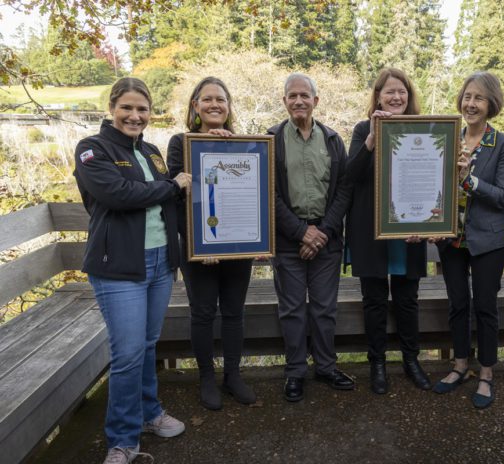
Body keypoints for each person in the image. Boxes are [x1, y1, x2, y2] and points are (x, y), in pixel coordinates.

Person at [73, 77, 191, 464]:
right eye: (127, 107)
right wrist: (173, 186)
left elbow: (168, 199)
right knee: (126, 353)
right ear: (112, 108)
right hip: (119, 267)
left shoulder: (154, 153)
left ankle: (149, 413)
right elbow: (120, 195)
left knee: (145, 345)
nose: (135, 115)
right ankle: (121, 440)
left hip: (160, 262)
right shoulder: (93, 149)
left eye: (142, 109)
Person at [167, 77, 256, 411]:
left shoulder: (245, 144)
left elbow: (253, 191)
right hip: (198, 247)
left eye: (221, 99)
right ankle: (206, 377)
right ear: (195, 106)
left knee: (234, 312)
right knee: (203, 313)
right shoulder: (181, 143)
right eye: (207, 99)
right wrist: (199, 247)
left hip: (237, 246)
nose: (215, 104)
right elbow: (179, 196)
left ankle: (232, 375)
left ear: (229, 106)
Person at [430, 72, 504, 410]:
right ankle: (460, 366)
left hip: (488, 242)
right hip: (451, 240)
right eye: (467, 96)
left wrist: (470, 179)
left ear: (490, 103)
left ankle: (486, 373)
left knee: (484, 307)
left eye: (479, 98)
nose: (471, 103)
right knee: (457, 305)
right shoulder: (448, 139)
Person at [268, 72, 354, 402]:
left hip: (327, 239)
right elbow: (270, 192)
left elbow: (343, 189)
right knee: (292, 309)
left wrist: (322, 232)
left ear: (316, 101)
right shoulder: (272, 139)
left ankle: (326, 366)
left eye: (305, 96)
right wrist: (301, 232)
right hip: (289, 239)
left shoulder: (333, 140)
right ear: (285, 101)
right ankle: (295, 372)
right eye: (293, 96)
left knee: (323, 308)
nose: (299, 101)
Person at [345, 68, 431, 394]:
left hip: (410, 231)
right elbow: (350, 176)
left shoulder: (422, 130)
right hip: (372, 231)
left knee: (408, 299)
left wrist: (426, 224)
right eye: (389, 92)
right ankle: (377, 364)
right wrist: (371, 139)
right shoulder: (363, 128)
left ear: (409, 97)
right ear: (378, 96)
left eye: (402, 92)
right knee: (375, 300)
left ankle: (411, 360)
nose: (396, 97)